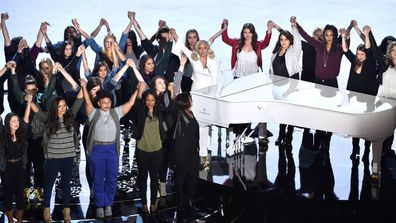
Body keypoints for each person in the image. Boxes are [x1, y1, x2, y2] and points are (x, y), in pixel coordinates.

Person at [81, 73, 139, 218]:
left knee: (112, 178)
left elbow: (130, 104)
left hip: (112, 149)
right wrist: (83, 87)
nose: (106, 104)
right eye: (103, 102)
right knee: (98, 179)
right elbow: (88, 103)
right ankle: (100, 205)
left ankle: (109, 204)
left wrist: (138, 90)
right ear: (99, 103)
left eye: (108, 102)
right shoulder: (93, 113)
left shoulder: (115, 113)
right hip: (97, 150)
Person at [220, 19, 276, 150]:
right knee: (237, 107)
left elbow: (267, 43)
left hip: (252, 81)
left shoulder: (258, 45)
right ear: (242, 33)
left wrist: (269, 30)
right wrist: (224, 27)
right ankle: (236, 132)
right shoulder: (236, 43)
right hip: (238, 79)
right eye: (245, 32)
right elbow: (225, 39)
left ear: (253, 33)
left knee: (248, 107)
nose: (247, 34)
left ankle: (245, 132)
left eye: (249, 32)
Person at [30, 88, 84, 223]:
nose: (62, 108)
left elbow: (78, 101)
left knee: (66, 185)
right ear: (55, 108)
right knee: (48, 185)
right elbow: (36, 111)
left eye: (64, 106)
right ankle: (46, 210)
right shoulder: (48, 119)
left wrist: (83, 86)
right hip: (53, 158)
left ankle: (67, 213)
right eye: (59, 106)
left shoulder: (70, 115)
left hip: (68, 157)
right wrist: (29, 101)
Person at [342, 25, 377, 162]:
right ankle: (355, 150)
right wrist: (344, 37)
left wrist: (367, 34)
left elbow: (368, 48)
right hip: (354, 101)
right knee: (355, 127)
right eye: (358, 54)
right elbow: (345, 50)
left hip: (367, 101)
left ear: (366, 55)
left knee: (367, 127)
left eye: (362, 54)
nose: (359, 56)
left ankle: (367, 150)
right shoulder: (354, 62)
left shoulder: (370, 64)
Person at [131, 85, 167, 214]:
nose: (150, 103)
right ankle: (144, 203)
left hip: (157, 150)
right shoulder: (141, 112)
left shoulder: (160, 112)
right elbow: (135, 106)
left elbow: (169, 107)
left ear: (156, 100)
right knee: (143, 177)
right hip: (142, 150)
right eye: (147, 100)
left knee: (154, 177)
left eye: (152, 100)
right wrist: (139, 91)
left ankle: (153, 202)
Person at [270, 16, 302, 152]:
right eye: (281, 39)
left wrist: (294, 26)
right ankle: (281, 134)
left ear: (290, 41)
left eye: (286, 39)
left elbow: (298, 40)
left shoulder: (293, 51)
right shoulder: (276, 52)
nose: (283, 42)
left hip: (291, 83)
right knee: (282, 111)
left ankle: (288, 136)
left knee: (290, 112)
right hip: (278, 85)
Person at [168, 92, 200, 220]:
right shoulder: (178, 113)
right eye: (190, 98)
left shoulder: (190, 113)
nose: (192, 100)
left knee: (193, 175)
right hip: (181, 150)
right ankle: (181, 201)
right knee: (180, 176)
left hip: (192, 150)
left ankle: (189, 198)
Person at [0, 108, 30, 223]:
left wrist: (28, 103)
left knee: (19, 193)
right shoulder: (3, 134)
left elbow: (26, 119)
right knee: (8, 193)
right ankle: (11, 220)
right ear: (8, 122)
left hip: (20, 167)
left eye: (17, 121)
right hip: (6, 168)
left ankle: (20, 220)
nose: (16, 123)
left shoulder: (22, 132)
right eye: (13, 121)